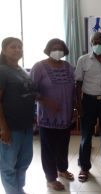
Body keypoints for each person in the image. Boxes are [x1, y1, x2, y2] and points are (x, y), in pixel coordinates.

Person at [30, 38, 75, 191]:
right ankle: (50, 178)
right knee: (49, 148)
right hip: (47, 117)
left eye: (60, 48)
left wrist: (75, 109)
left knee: (63, 146)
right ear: (48, 49)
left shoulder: (69, 67)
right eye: (54, 47)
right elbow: (31, 90)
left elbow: (73, 90)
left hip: (66, 116)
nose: (57, 50)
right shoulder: (39, 67)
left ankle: (62, 169)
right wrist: (45, 101)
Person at [75, 32, 101, 182]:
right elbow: (78, 83)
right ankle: (84, 167)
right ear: (91, 43)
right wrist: (79, 105)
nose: (98, 44)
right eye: (95, 41)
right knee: (86, 136)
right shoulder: (83, 60)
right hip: (89, 101)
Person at [0, 37, 36, 194]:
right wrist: (3, 128)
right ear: (3, 50)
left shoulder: (21, 70)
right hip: (11, 127)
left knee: (24, 162)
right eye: (12, 47)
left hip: (27, 126)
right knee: (8, 166)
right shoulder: (2, 70)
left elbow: (27, 93)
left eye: (19, 47)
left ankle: (18, 189)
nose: (17, 49)